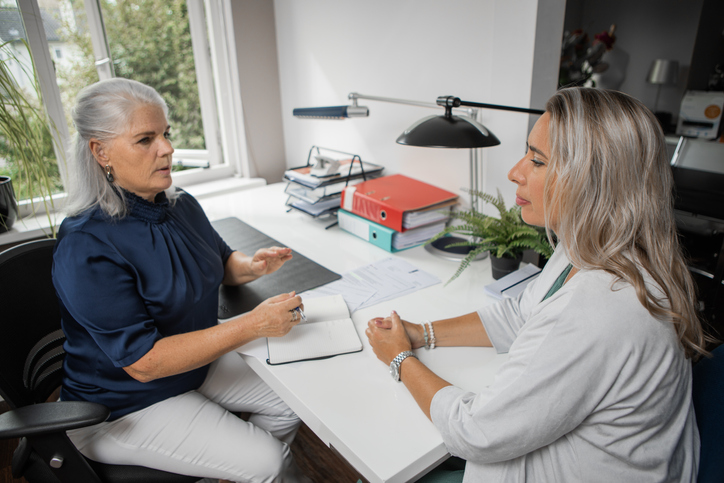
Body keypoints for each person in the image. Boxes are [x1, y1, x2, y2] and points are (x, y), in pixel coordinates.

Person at [366, 87, 707, 482]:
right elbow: (522, 312)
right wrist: (419, 333)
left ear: (593, 181)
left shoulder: (601, 307)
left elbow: (474, 432)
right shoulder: (595, 247)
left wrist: (399, 359)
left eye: (538, 160)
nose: (515, 171)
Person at [53, 78, 309, 482]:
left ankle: (229, 470)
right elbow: (143, 363)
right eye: (145, 139)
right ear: (101, 151)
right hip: (123, 403)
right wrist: (254, 324)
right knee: (269, 462)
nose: (168, 148)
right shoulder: (85, 244)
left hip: (194, 367)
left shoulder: (179, 204)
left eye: (166, 134)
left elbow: (222, 261)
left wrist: (252, 266)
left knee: (296, 402)